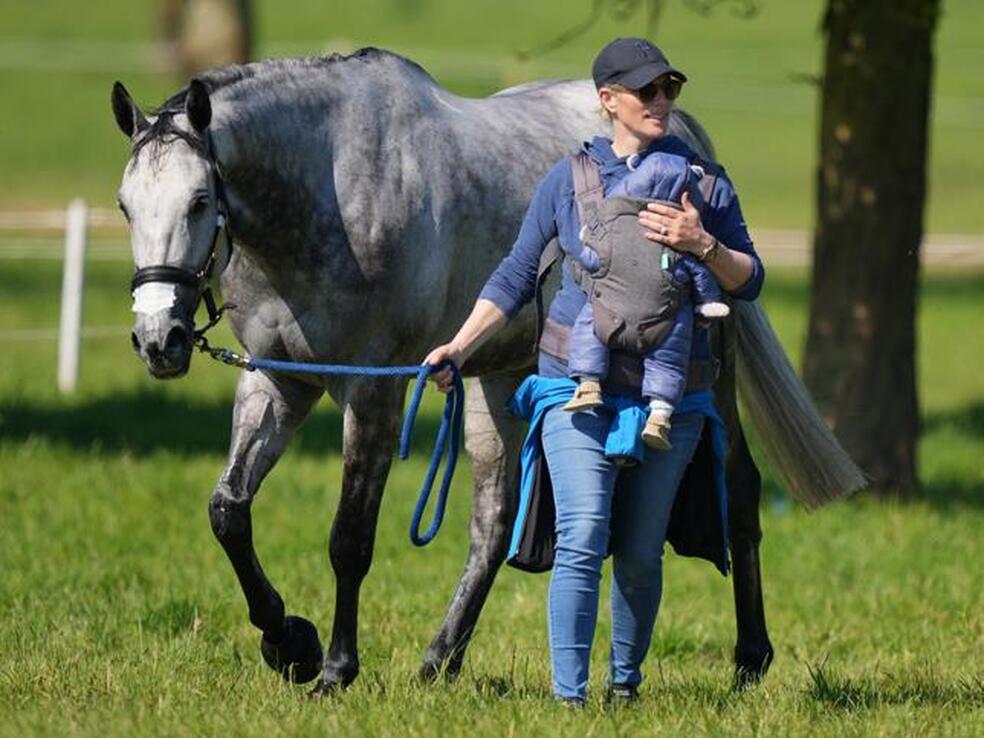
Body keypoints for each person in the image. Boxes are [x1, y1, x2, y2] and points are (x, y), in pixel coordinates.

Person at [424, 37, 764, 705]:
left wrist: (705, 245)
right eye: (648, 90)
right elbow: (517, 274)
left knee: (639, 555)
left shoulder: (705, 183)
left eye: (670, 88)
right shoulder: (566, 180)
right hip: (572, 386)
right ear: (608, 100)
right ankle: (568, 699)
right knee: (582, 536)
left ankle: (625, 689)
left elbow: (750, 281)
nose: (662, 100)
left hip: (674, 394)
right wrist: (457, 348)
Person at [564, 149, 731, 451]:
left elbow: (590, 259)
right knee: (669, 359)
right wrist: (706, 306)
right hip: (663, 319)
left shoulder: (613, 225)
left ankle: (588, 382)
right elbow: (700, 276)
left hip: (608, 313)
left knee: (588, 328)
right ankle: (661, 414)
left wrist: (579, 268)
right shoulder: (678, 239)